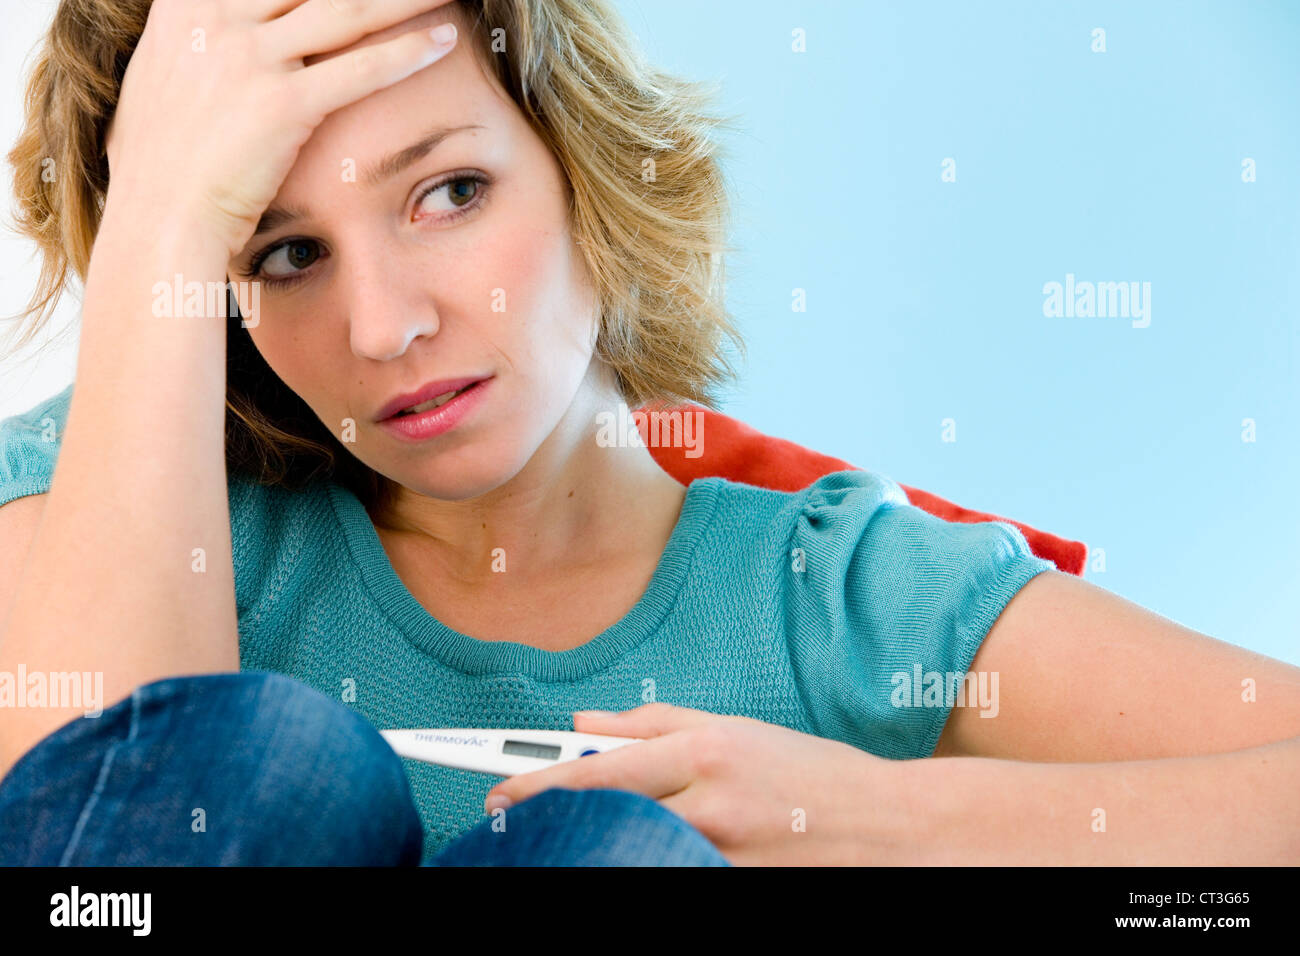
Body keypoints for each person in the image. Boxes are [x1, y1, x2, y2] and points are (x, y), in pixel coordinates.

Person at [1, 0, 1298, 867]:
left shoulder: (831, 594)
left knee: (606, 845)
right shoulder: (97, 495)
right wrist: (163, 208)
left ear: (587, 172)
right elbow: (102, 842)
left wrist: (895, 815)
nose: (385, 326)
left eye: (449, 192)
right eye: (282, 251)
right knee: (264, 758)